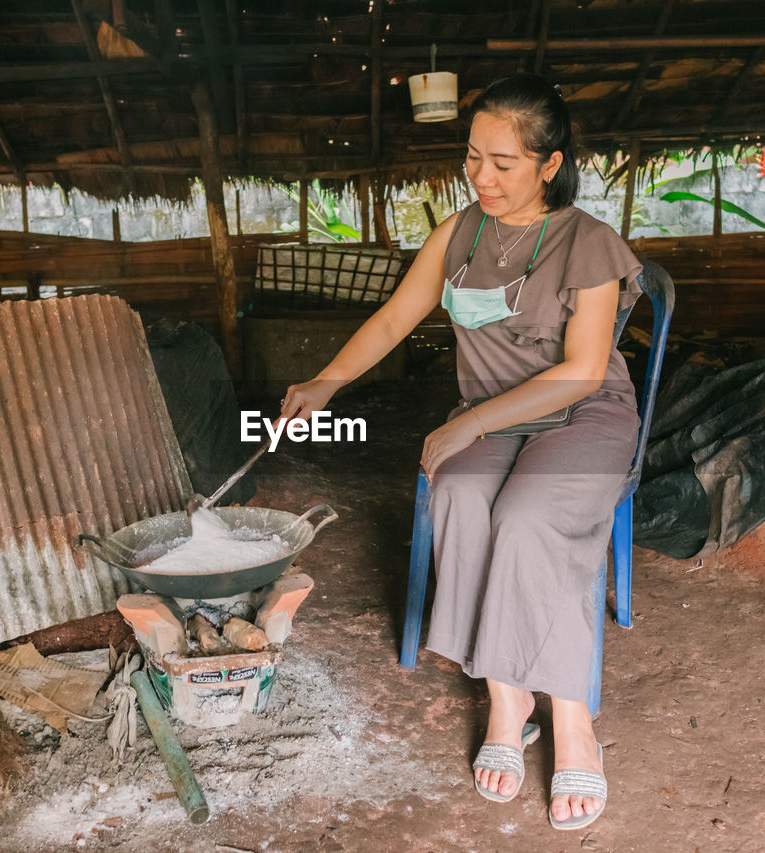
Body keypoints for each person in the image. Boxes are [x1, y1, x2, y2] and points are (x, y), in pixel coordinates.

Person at [280, 73, 642, 831]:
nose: (482, 176)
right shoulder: (460, 234)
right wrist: (326, 381)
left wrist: (468, 425)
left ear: (549, 164)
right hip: (492, 419)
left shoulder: (590, 243)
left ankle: (571, 719)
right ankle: (508, 706)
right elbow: (392, 319)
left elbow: (578, 372)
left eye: (504, 163)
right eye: (473, 156)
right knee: (459, 496)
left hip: (583, 417)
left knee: (532, 515)